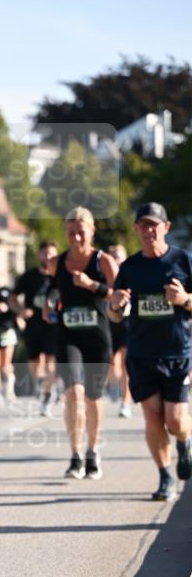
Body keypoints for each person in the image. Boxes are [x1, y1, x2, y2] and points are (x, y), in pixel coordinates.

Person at [107, 203, 192, 501]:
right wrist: (115, 305)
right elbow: (116, 315)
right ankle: (165, 476)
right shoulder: (129, 268)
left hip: (177, 353)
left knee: (177, 420)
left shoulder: (184, 260)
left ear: (166, 227)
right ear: (136, 229)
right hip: (141, 354)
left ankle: (184, 442)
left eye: (154, 224)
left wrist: (184, 299)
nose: (149, 230)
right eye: (143, 225)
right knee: (153, 418)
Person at [45, 207, 118, 479]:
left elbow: (118, 294)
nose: (76, 237)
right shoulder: (58, 262)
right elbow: (54, 287)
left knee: (93, 397)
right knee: (73, 393)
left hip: (98, 338)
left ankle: (92, 451)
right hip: (68, 337)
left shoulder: (104, 261)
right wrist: (48, 301)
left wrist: (92, 286)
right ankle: (75, 455)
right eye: (71, 232)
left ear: (92, 231)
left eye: (81, 231)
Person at [9, 241, 59, 416]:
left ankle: (47, 394)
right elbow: (13, 297)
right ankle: (40, 383)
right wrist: (21, 311)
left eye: (52, 254)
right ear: (39, 256)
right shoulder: (29, 276)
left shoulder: (59, 276)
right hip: (33, 325)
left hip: (53, 325)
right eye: (45, 253)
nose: (48, 257)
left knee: (51, 360)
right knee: (35, 361)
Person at [106, 243, 132, 418]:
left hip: (127, 325)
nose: (117, 259)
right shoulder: (106, 276)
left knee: (125, 365)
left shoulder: (132, 275)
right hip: (108, 325)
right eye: (114, 256)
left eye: (120, 256)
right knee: (111, 363)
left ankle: (125, 403)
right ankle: (113, 386)